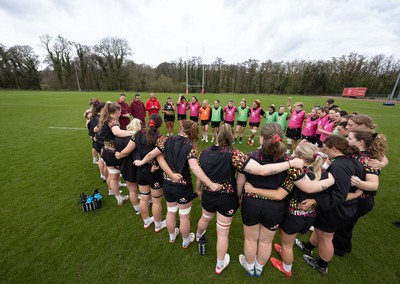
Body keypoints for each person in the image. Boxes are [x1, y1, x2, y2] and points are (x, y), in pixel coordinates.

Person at [195, 124, 305, 274]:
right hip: (264, 205)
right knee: (259, 240)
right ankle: (239, 266)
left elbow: (237, 181)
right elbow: (307, 186)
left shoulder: (204, 152)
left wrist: (199, 188)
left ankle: (199, 235)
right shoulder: (236, 154)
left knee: (208, 218)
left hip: (223, 198)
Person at [237, 123, 335, 277]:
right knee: (265, 241)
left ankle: (250, 267)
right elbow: (308, 187)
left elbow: (240, 183)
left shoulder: (249, 157)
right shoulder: (291, 162)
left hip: (252, 204)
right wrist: (330, 181)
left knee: (251, 239)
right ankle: (258, 268)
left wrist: (239, 199)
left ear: (262, 138)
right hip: (274, 208)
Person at [295, 135, 365, 276]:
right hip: (344, 207)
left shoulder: (339, 166)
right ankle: (308, 247)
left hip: (336, 209)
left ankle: (322, 265)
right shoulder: (352, 161)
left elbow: (339, 195)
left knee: (326, 237)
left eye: (326, 149)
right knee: (319, 230)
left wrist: (315, 201)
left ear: (334, 149)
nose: (324, 152)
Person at [257, 142, 330, 278]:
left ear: (300, 156)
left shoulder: (297, 173)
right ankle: (285, 251)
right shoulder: (324, 173)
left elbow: (281, 193)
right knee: (288, 240)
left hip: (292, 216)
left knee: (287, 245)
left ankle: (286, 268)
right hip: (309, 215)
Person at [154, 120, 222, 248]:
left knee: (171, 211)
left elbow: (156, 155)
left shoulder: (167, 139)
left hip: (167, 183)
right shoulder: (191, 145)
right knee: (184, 216)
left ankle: (172, 236)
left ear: (181, 128)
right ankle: (186, 240)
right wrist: (210, 184)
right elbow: (194, 167)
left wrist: (141, 161)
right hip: (182, 185)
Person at [332, 129, 387, 256]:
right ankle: (345, 247)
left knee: (345, 225)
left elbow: (373, 185)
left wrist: (358, 183)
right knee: (347, 224)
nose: (347, 140)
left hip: (362, 200)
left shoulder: (368, 160)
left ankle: (339, 250)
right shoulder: (357, 153)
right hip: (357, 197)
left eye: (350, 139)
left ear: (360, 142)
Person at [116, 114, 167, 232]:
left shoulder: (138, 134)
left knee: (144, 197)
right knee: (156, 200)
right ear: (160, 125)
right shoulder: (160, 138)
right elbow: (153, 155)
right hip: (154, 172)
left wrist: (119, 154)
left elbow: (127, 151)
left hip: (140, 171)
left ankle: (146, 221)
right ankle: (158, 225)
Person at [94, 102, 132, 205]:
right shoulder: (112, 121)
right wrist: (132, 133)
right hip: (114, 153)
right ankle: (135, 195)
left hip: (105, 151)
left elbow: (95, 129)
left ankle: (118, 198)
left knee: (112, 176)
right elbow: (117, 132)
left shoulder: (103, 119)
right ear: (116, 112)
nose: (121, 113)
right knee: (127, 175)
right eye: (120, 111)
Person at [114, 119, 142, 215]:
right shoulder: (138, 138)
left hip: (125, 166)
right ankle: (147, 202)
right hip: (137, 166)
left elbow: (115, 152)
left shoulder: (117, 138)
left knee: (132, 190)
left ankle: (137, 209)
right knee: (143, 188)